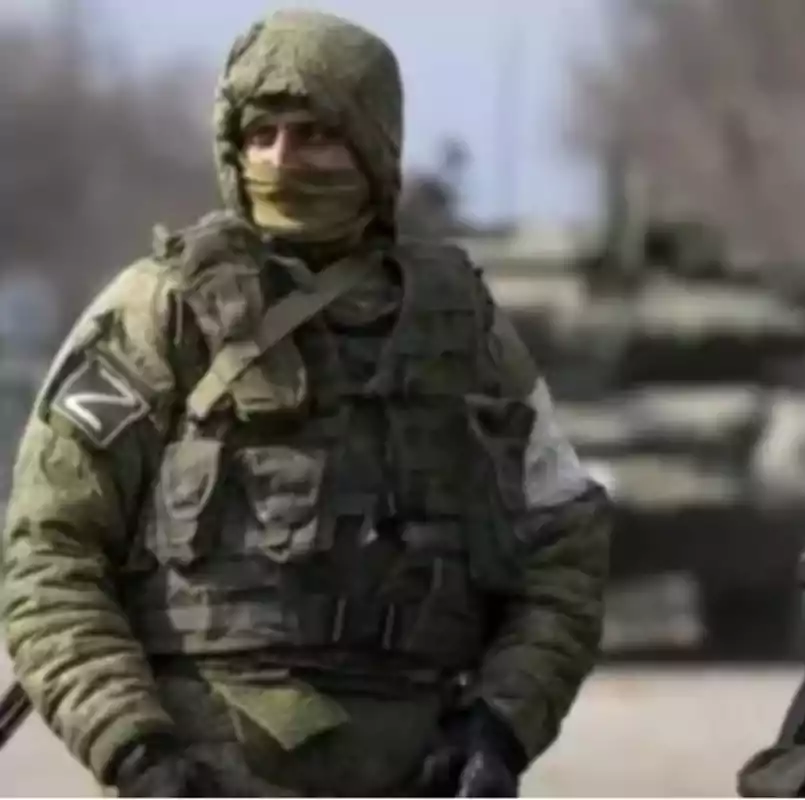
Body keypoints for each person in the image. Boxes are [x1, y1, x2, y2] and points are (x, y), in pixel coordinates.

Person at [0, 9, 611, 797]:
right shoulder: (162, 312)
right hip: (205, 771)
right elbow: (49, 554)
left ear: (372, 147)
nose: (284, 161)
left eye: (316, 135)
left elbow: (564, 548)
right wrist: (136, 750)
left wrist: (501, 724)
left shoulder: (461, 330)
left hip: (415, 771)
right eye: (263, 136)